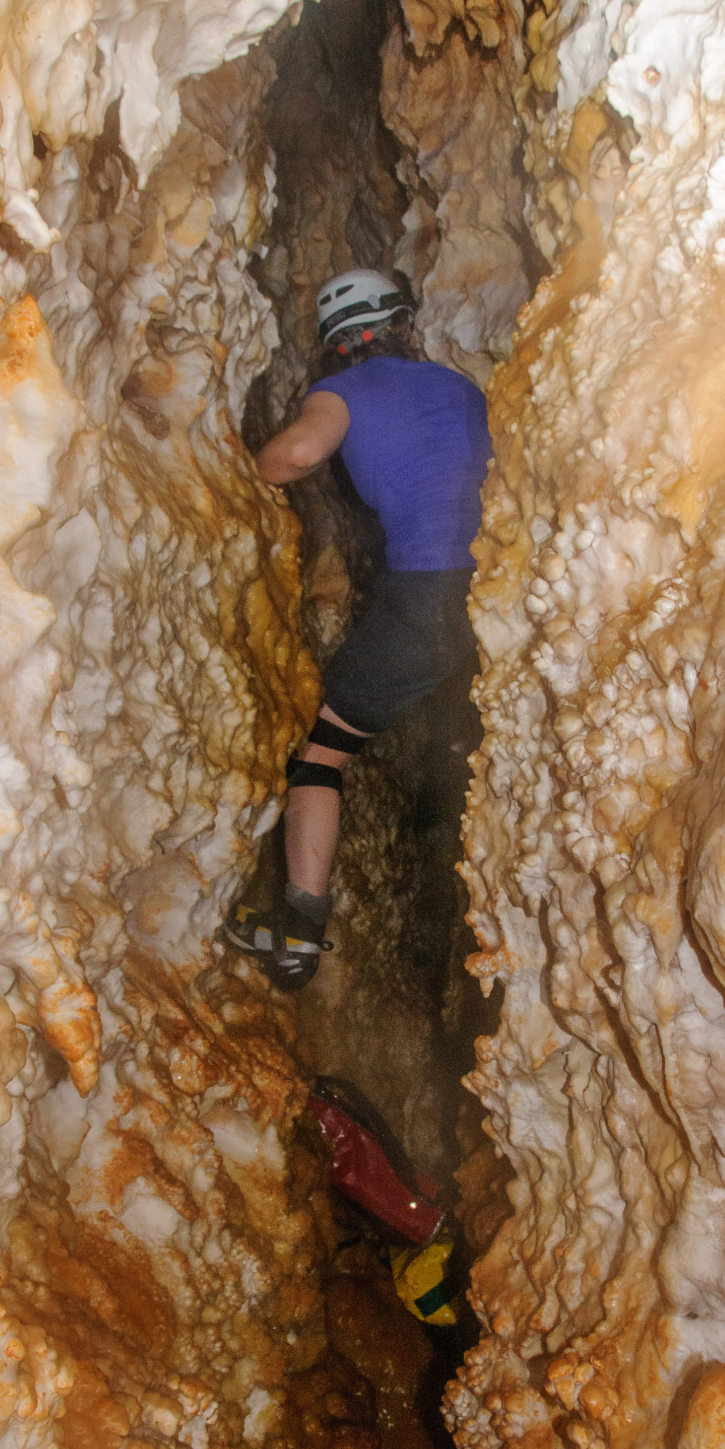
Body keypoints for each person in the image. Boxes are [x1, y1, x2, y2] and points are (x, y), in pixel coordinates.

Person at [226, 269, 491, 990]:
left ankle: (298, 934)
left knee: (322, 756)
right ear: (402, 323)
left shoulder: (341, 391)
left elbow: (297, 454)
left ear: (335, 343)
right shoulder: (462, 388)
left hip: (427, 599)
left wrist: (238, 475)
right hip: (496, 595)